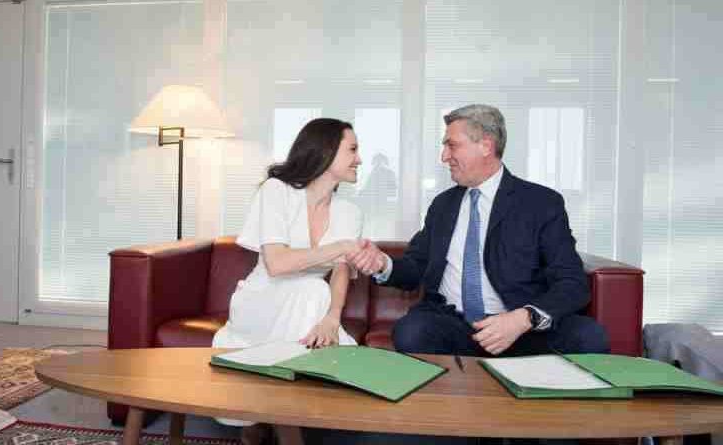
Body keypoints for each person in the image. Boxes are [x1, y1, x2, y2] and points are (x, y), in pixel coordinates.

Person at [347, 104, 609, 358]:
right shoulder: (443, 205)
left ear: (486, 146)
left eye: (452, 145)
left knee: (589, 336)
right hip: (456, 325)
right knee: (411, 332)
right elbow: (416, 266)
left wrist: (522, 318)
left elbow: (572, 283)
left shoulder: (540, 204)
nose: (444, 157)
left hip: (520, 328)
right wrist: (383, 264)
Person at [212, 117, 364, 444]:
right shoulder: (277, 190)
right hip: (261, 299)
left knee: (312, 292)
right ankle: (294, 428)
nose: (359, 159)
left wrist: (332, 319)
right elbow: (278, 264)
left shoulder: (350, 211)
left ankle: (275, 418)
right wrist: (339, 248)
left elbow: (341, 271)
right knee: (311, 288)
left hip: (309, 303)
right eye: (352, 149)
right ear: (325, 151)